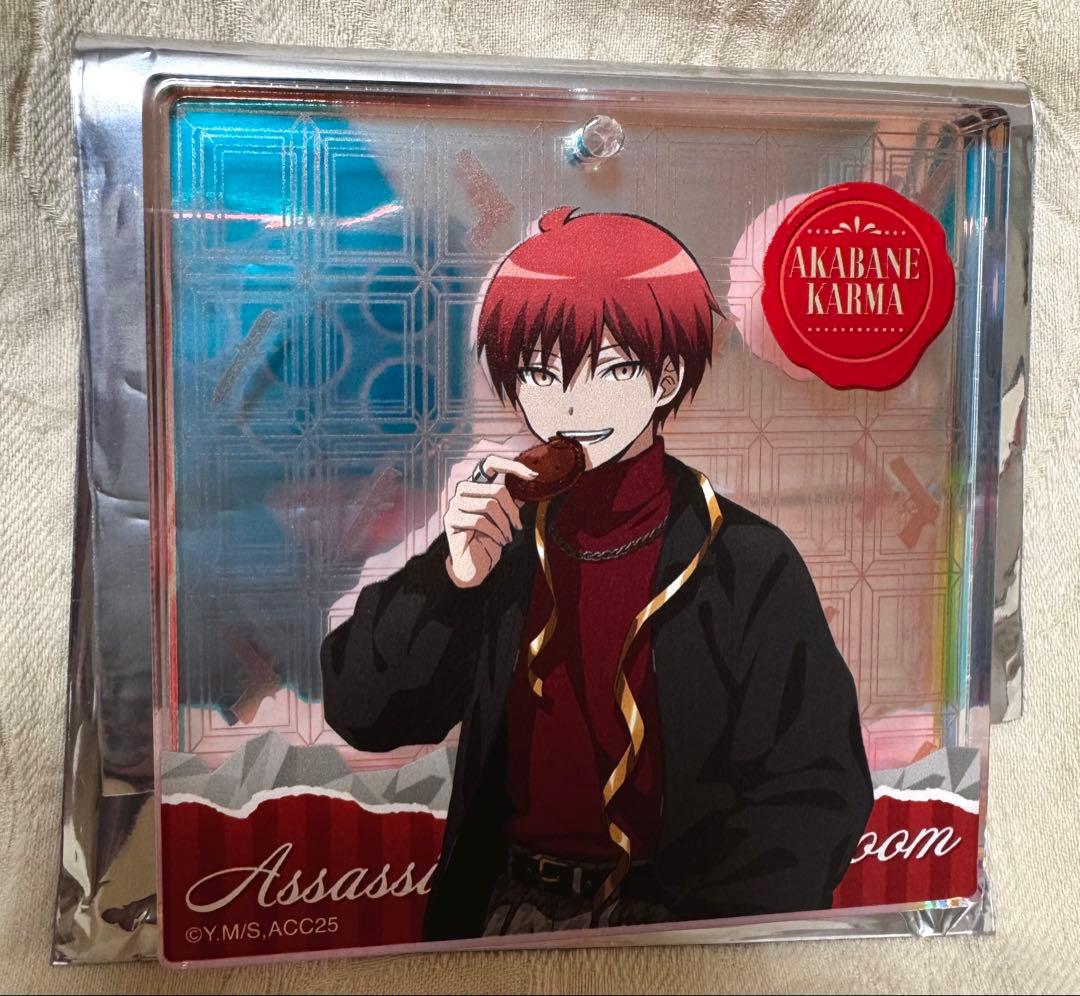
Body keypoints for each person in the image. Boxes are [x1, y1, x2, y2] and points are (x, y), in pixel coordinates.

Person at [321, 206, 874, 940]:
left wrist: (700, 932)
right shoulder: (503, 539)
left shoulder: (745, 559)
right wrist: (451, 581)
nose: (569, 404)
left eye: (609, 369)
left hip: (683, 927)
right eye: (539, 372)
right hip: (502, 908)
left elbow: (817, 789)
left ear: (666, 377)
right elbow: (362, 713)